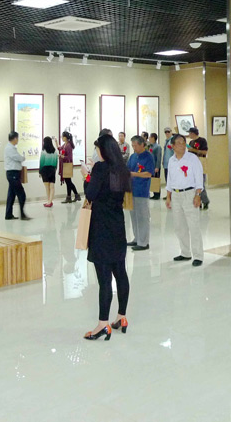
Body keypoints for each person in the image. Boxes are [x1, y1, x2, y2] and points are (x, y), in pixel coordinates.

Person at [83, 135, 131, 341]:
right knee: (120, 273)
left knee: (104, 279)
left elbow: (90, 194)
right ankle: (121, 317)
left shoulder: (100, 168)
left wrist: (87, 176)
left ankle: (103, 324)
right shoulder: (122, 169)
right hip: (117, 226)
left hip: (101, 227)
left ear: (102, 150)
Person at [166, 134, 204, 266]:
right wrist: (168, 196)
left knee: (193, 226)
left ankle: (198, 255)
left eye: (183, 142)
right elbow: (170, 179)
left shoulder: (192, 158)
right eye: (179, 143)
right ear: (173, 146)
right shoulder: (171, 160)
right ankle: (185, 252)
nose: (182, 145)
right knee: (179, 226)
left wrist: (198, 194)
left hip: (190, 194)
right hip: (176, 195)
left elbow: (199, 177)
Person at [126, 135, 154, 251]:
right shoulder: (133, 157)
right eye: (132, 146)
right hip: (131, 190)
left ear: (142, 144)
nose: (134, 148)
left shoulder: (148, 157)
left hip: (142, 191)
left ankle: (143, 242)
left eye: (135, 145)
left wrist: (134, 174)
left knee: (142, 217)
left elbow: (149, 173)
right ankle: (136, 238)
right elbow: (127, 169)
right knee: (134, 216)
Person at [4, 131, 30, 220]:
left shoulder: (11, 147)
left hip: (13, 174)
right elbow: (17, 157)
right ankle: (22, 214)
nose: (18, 140)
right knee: (21, 194)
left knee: (11, 195)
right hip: (13, 174)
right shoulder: (9, 148)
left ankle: (8, 214)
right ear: (15, 138)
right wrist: (23, 158)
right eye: (17, 138)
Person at [187, 127, 210, 210]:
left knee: (201, 184)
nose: (189, 135)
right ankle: (198, 201)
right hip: (192, 164)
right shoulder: (191, 142)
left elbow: (205, 152)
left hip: (201, 163)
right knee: (194, 184)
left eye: (190, 133)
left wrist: (193, 150)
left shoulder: (202, 141)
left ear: (193, 133)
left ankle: (205, 201)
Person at [58, 131, 81, 203]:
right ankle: (69, 197)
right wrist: (56, 142)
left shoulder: (68, 145)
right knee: (68, 182)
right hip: (65, 165)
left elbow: (69, 157)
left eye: (62, 136)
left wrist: (62, 156)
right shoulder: (65, 144)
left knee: (68, 182)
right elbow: (60, 148)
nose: (61, 138)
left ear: (65, 137)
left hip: (67, 165)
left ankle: (76, 195)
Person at [39, 136, 58, 207]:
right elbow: (56, 161)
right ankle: (50, 201)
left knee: (47, 187)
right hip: (52, 169)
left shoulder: (43, 151)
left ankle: (49, 201)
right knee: (52, 186)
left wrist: (40, 171)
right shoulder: (55, 151)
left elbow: (41, 162)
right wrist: (55, 169)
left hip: (45, 169)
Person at [148, 133, 162, 200]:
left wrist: (157, 167)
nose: (149, 139)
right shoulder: (150, 146)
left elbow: (158, 157)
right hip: (151, 166)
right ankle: (154, 194)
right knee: (153, 180)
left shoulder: (157, 147)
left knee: (156, 180)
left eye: (150, 137)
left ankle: (157, 195)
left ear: (153, 138)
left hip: (156, 166)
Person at [162, 127, 174, 195]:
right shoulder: (166, 141)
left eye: (168, 132)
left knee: (171, 180)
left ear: (171, 132)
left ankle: (172, 195)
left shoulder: (173, 140)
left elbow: (175, 151)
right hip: (166, 163)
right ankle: (168, 194)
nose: (167, 133)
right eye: (165, 132)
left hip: (171, 164)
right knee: (167, 180)